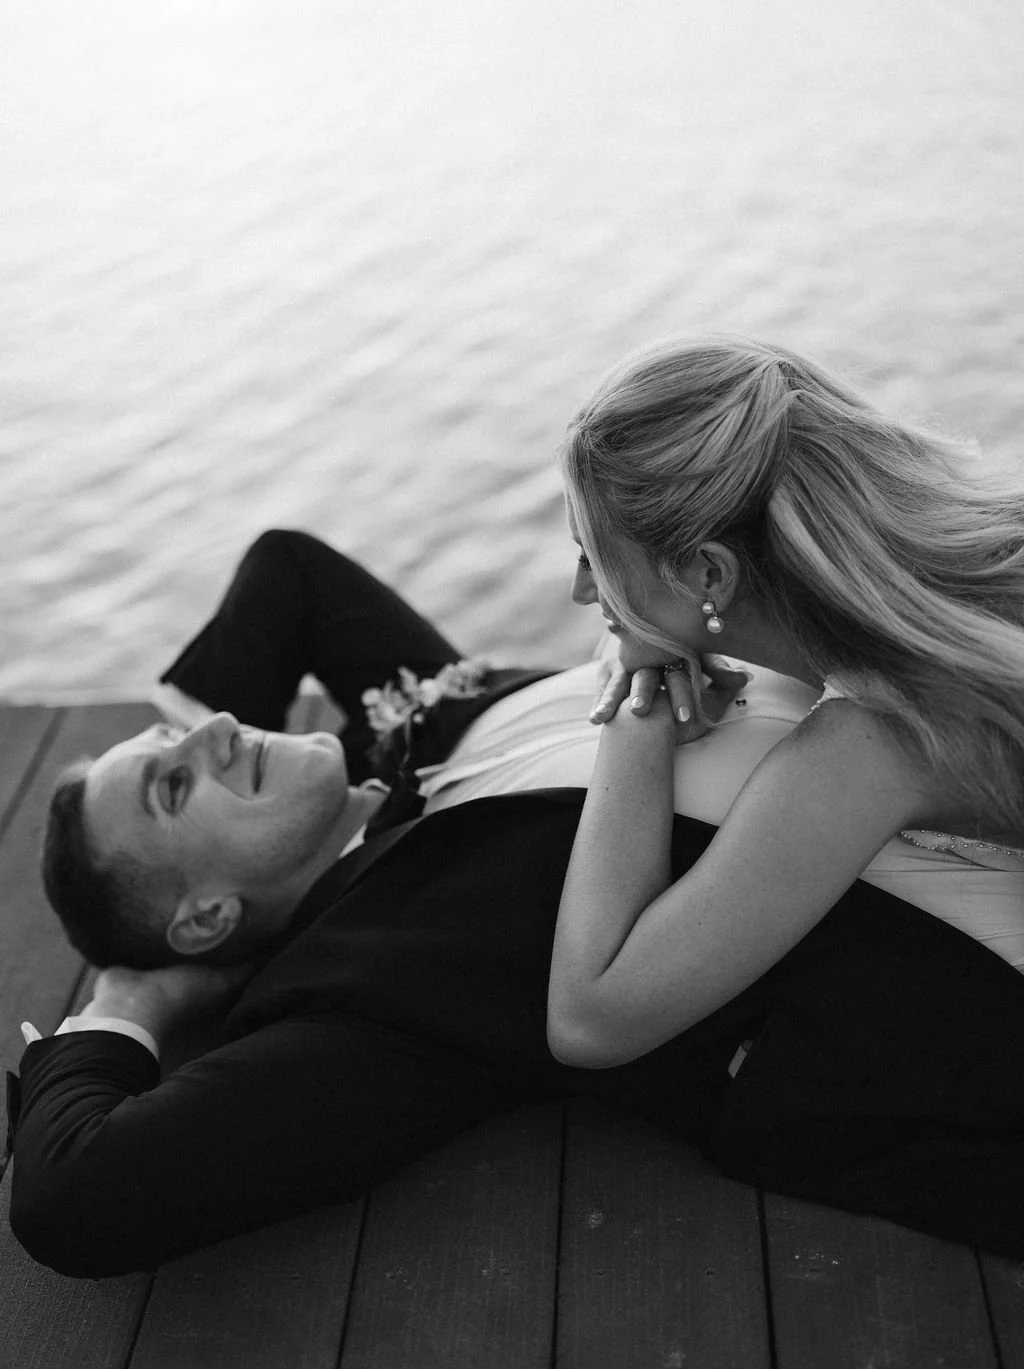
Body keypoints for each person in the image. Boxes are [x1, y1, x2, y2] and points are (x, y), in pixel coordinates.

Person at [9, 530, 1024, 1276]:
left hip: (965, 734)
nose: (219, 731)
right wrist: (126, 1006)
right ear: (206, 920)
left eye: (180, 740)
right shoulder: (372, 991)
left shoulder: (425, 731)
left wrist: (247, 795)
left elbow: (287, 567)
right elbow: (73, 1200)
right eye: (176, 785)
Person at [549, 334, 1024, 1071]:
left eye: (596, 560)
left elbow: (590, 1019)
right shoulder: (984, 553)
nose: (584, 592)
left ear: (709, 571)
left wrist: (634, 714)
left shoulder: (884, 731)